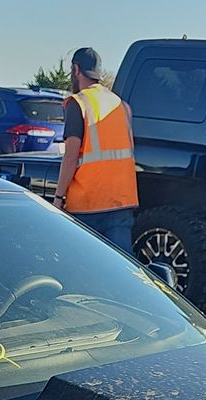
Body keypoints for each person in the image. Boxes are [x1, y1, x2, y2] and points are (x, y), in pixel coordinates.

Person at [53, 47, 138, 253]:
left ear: (75, 69)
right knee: (120, 271)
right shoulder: (121, 105)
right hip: (122, 200)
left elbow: (71, 156)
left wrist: (58, 197)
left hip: (88, 203)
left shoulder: (78, 103)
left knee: (84, 268)